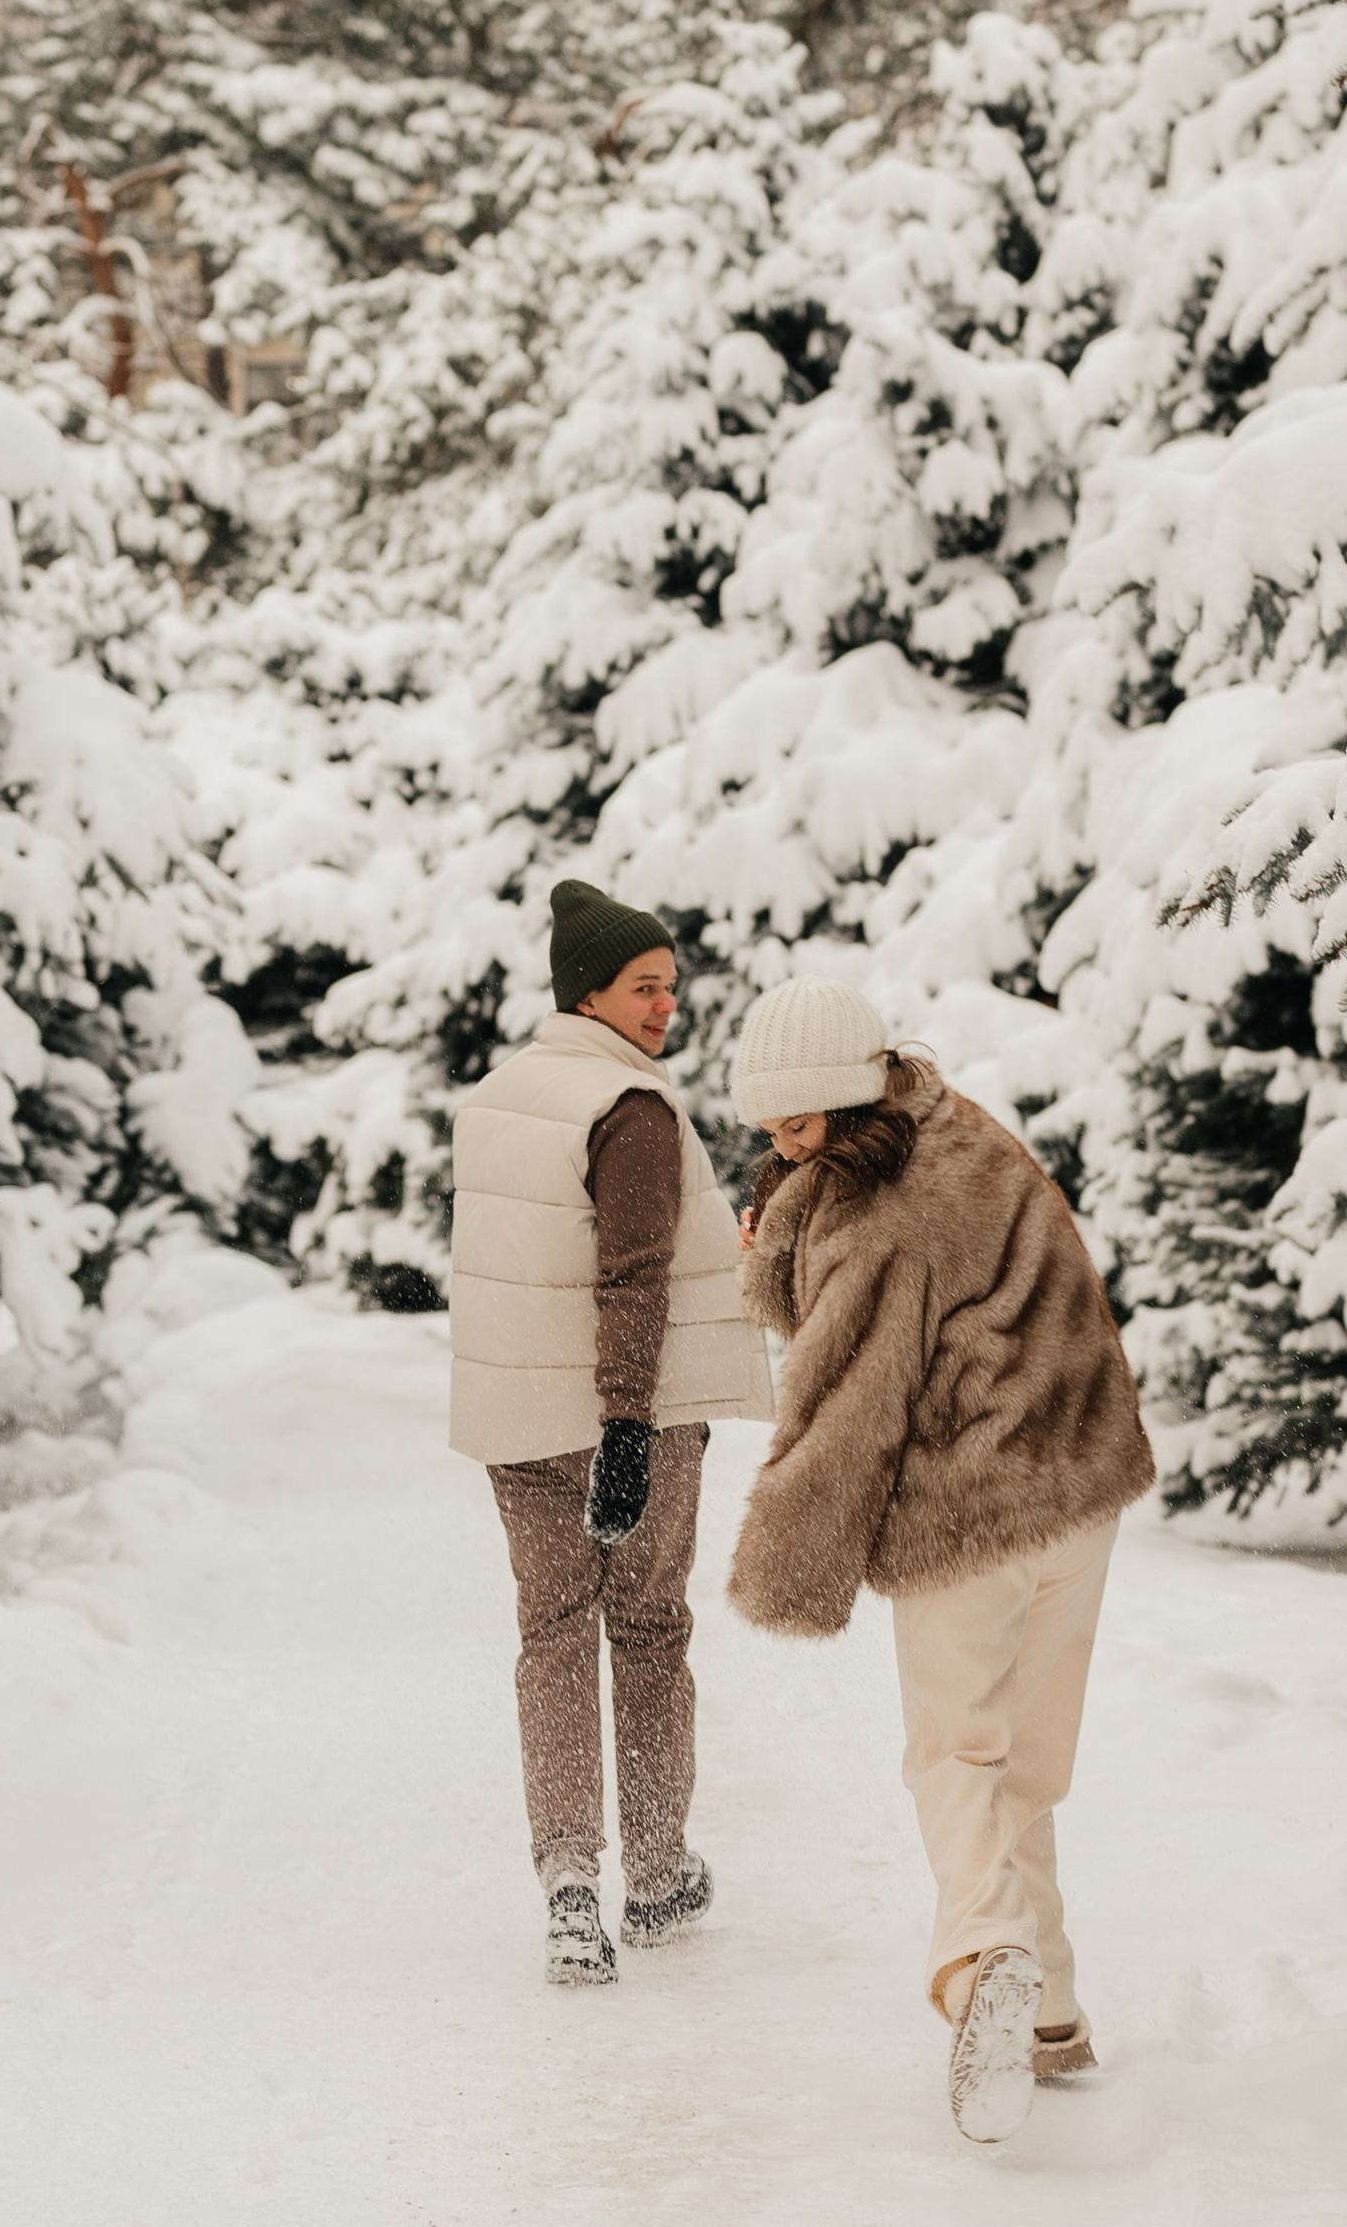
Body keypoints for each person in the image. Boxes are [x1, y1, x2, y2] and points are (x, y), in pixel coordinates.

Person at [723, 978, 1154, 2142]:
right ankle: (1050, 2009)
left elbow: (845, 1405)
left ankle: (984, 1961)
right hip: (1079, 1486)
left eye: (794, 1122)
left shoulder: (871, 1221)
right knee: (1024, 1762)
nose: (777, 1141)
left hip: (972, 1510)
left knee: (954, 1752)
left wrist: (787, 1564)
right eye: (766, 1125)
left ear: (842, 1095)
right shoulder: (963, 1126)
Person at [447, 881, 774, 1987]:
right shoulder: (628, 1110)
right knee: (643, 1628)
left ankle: (568, 1885)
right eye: (644, 987)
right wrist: (629, 1424)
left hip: (519, 1423)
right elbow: (629, 1279)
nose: (665, 1007)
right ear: (589, 989)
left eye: (672, 988)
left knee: (550, 1633)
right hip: (628, 1412)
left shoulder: (497, 1098)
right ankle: (654, 1867)